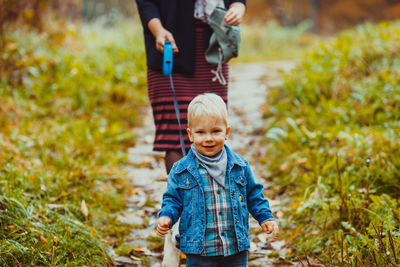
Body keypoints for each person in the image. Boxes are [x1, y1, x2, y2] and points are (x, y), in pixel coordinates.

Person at [156, 93, 279, 266]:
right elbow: (173, 199)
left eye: (215, 131)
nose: (208, 138)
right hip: (199, 250)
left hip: (234, 247)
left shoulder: (240, 166)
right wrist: (166, 216)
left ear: (227, 132)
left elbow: (254, 195)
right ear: (190, 135)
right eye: (200, 132)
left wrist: (265, 217)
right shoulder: (181, 170)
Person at [135, 0, 247, 174]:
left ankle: (211, 198)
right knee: (175, 135)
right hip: (170, 44)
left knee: (211, 131)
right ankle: (181, 199)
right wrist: (157, 30)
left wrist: (238, 6)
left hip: (213, 47)